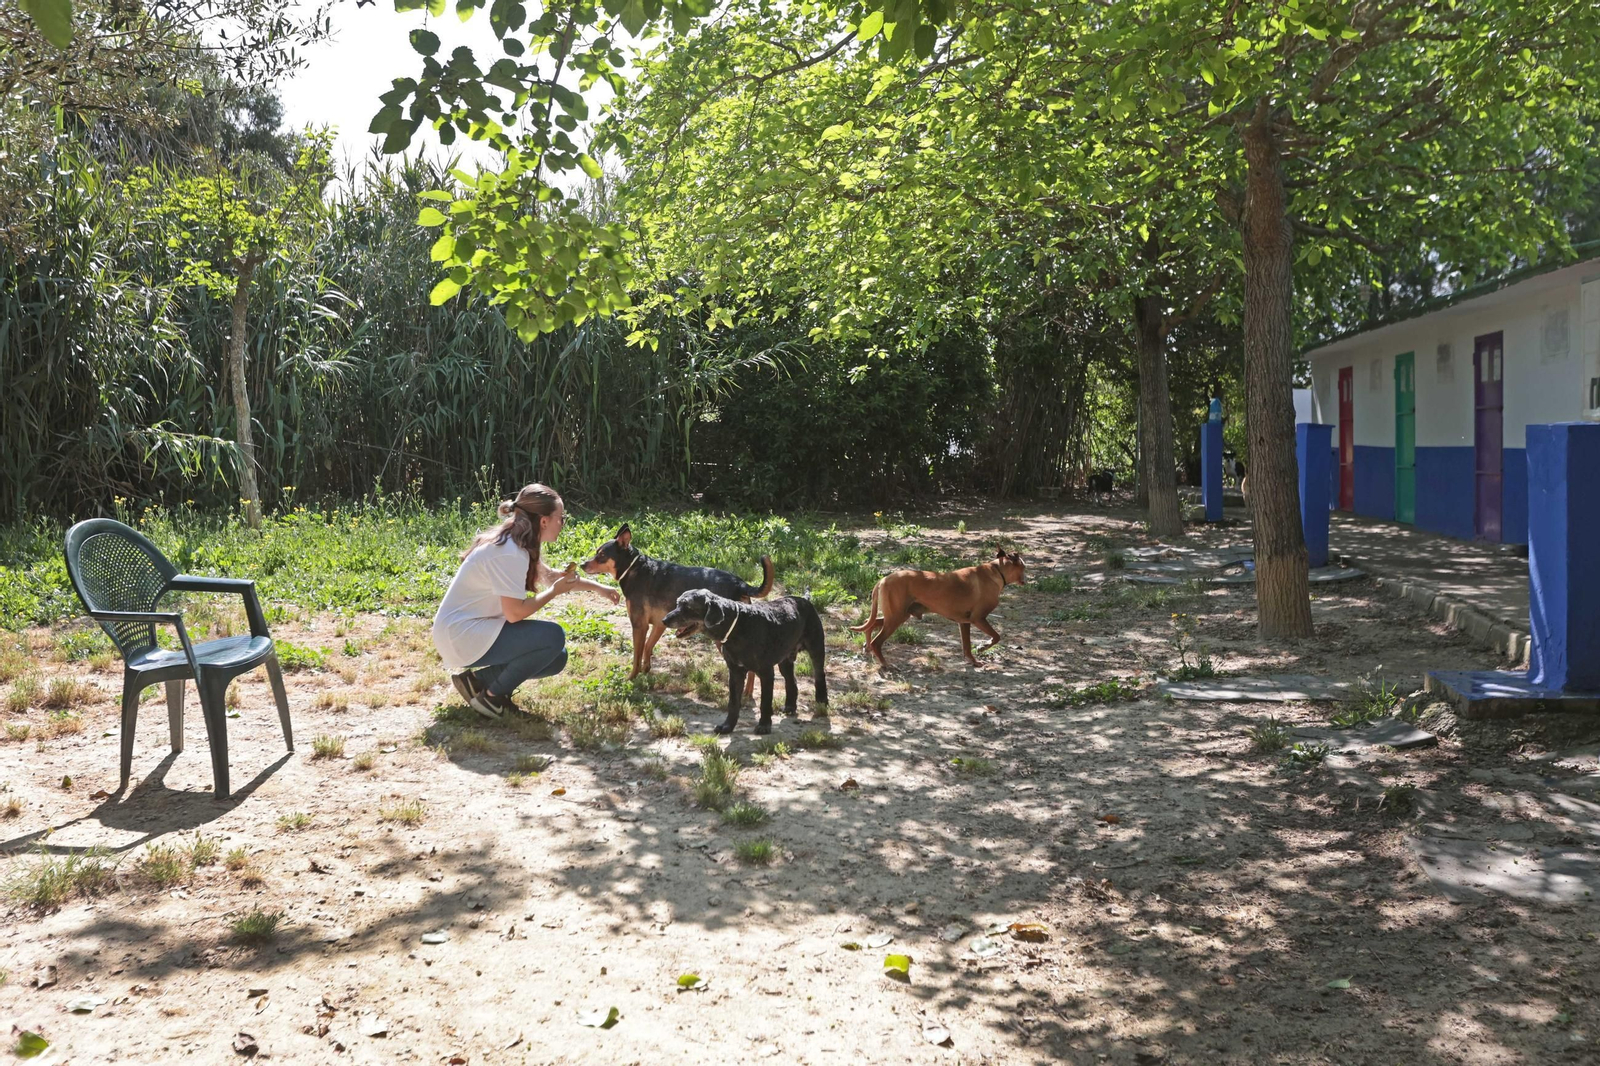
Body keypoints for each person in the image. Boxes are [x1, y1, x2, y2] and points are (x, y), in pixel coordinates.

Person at [431, 483, 619, 719]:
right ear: (543, 521)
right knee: (552, 637)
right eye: (560, 518)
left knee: (556, 657)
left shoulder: (517, 541)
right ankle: (491, 698)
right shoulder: (510, 552)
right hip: (461, 635)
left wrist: (598, 588)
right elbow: (515, 614)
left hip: (467, 630)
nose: (562, 523)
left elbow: (552, 577)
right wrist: (553, 593)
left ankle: (478, 682)